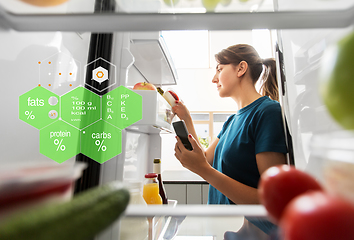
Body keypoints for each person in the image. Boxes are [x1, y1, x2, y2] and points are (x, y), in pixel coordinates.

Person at [172, 44, 288, 238]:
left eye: (219, 69)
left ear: (241, 69)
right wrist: (186, 118)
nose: (213, 79)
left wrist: (202, 170)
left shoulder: (267, 112)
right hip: (226, 231)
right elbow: (208, 158)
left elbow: (272, 201)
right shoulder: (232, 121)